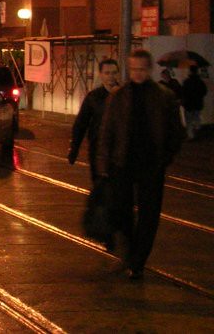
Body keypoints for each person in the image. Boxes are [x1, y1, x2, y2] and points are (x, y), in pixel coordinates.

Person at [96, 49, 184, 280]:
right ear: (129, 68)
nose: (138, 73)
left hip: (151, 165)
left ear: (150, 69)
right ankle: (130, 252)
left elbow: (176, 132)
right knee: (121, 211)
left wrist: (165, 157)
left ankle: (137, 262)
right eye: (134, 69)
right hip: (122, 163)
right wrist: (103, 163)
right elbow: (107, 131)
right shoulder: (119, 96)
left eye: (142, 69)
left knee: (149, 215)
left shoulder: (163, 97)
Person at [68, 58, 121, 186]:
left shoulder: (125, 95)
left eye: (113, 73)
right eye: (107, 73)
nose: (110, 77)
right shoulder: (93, 97)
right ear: (100, 74)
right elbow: (81, 123)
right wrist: (74, 148)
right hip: (98, 150)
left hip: (119, 150)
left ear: (118, 74)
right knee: (100, 186)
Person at [182, 66, 208, 140]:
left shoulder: (187, 81)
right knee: (197, 118)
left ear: (190, 72)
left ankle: (191, 135)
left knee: (189, 120)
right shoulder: (200, 82)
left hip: (189, 104)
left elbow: (184, 92)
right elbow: (204, 92)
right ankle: (197, 130)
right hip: (198, 103)